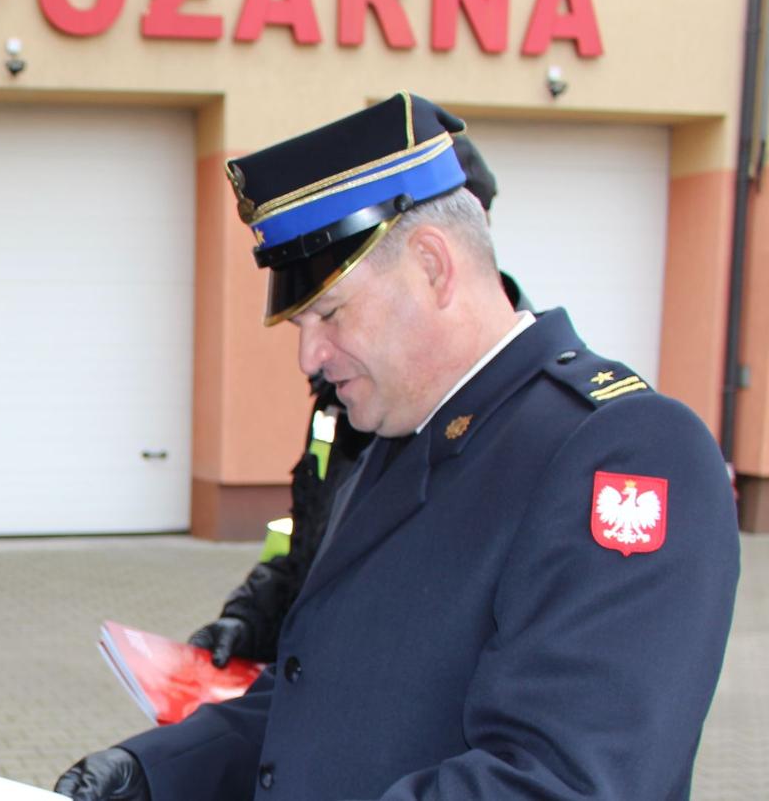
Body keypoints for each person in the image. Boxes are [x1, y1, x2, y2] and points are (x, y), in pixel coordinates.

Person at [56, 92, 740, 800]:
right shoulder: (398, 436)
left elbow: (564, 780)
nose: (310, 358)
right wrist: (153, 773)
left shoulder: (621, 452)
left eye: (328, 313)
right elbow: (317, 696)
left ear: (434, 267)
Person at [188, 135, 525, 667]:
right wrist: (250, 617)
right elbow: (301, 534)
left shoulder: (528, 421)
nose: (310, 356)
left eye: (333, 311)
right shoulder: (341, 395)